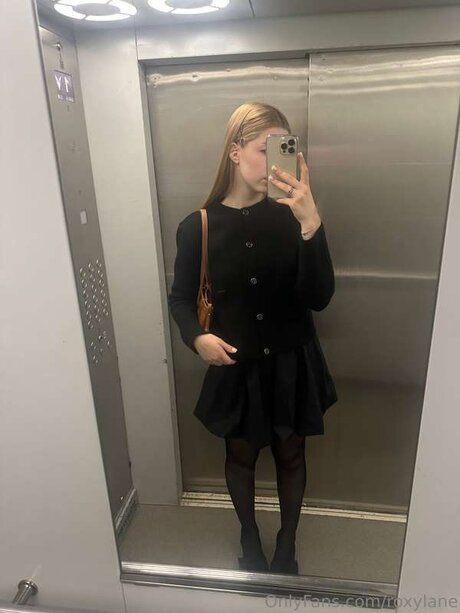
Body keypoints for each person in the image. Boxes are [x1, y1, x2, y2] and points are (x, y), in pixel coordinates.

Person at [168, 101, 338, 575]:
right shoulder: (198, 226)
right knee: (240, 456)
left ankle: (287, 541)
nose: (275, 162)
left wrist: (311, 224)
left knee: (291, 453)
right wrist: (196, 338)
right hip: (236, 365)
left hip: (291, 362)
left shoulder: (293, 217)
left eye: (284, 149)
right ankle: (248, 534)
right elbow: (180, 299)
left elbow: (320, 297)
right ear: (235, 152)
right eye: (266, 149)